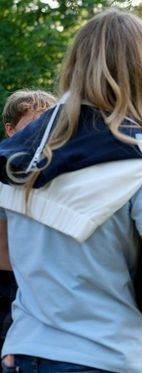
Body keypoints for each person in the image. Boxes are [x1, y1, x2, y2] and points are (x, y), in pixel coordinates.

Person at [0, 8, 142, 372]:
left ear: (74, 65)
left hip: (25, 353)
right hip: (107, 353)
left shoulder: (18, 156)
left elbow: (4, 256)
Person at [0, 89, 56, 350]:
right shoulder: (6, 173)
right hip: (10, 284)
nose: (41, 132)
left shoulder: (56, 171)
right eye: (32, 125)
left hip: (42, 286)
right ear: (10, 130)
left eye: (48, 125)